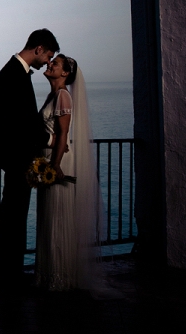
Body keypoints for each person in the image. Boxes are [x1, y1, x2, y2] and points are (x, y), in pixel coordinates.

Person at [34, 55, 110, 296]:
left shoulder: (63, 96)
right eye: (50, 62)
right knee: (50, 217)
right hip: (49, 158)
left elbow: (63, 133)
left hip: (58, 161)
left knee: (58, 217)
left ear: (65, 73)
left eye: (54, 63)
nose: (49, 65)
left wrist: (54, 166)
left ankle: (61, 276)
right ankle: (51, 274)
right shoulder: (54, 95)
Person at [0, 28, 59, 291]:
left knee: (14, 216)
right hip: (18, 157)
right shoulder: (12, 75)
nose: (47, 62)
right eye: (48, 56)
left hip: (16, 155)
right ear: (39, 48)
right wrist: (50, 141)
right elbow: (24, 122)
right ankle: (10, 276)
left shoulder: (13, 73)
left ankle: (10, 272)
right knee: (14, 218)